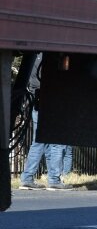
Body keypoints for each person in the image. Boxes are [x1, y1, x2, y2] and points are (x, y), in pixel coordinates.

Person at [19, 54, 73, 191]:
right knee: (56, 141)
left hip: (37, 101)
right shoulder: (53, 58)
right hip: (53, 102)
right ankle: (54, 179)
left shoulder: (34, 57)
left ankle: (27, 178)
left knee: (38, 142)